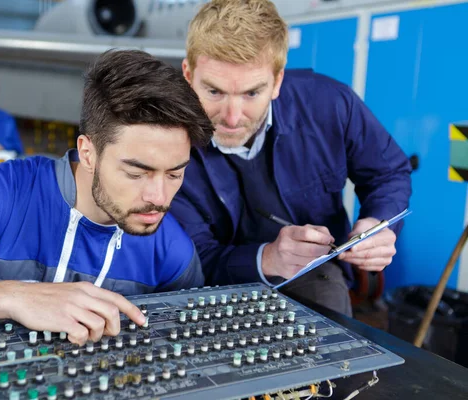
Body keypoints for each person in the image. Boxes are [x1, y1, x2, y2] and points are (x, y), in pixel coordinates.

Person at [0, 49, 214, 344]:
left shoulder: (173, 252)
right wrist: (6, 296)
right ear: (88, 152)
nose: (159, 197)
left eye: (174, 173)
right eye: (136, 173)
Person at [171, 0, 412, 316]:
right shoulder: (166, 141)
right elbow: (189, 260)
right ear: (188, 75)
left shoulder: (330, 104)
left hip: (313, 272)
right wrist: (266, 259)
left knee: (330, 316)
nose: (231, 117)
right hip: (207, 286)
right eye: (214, 92)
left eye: (251, 93)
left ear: (277, 81)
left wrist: (378, 224)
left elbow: (388, 172)